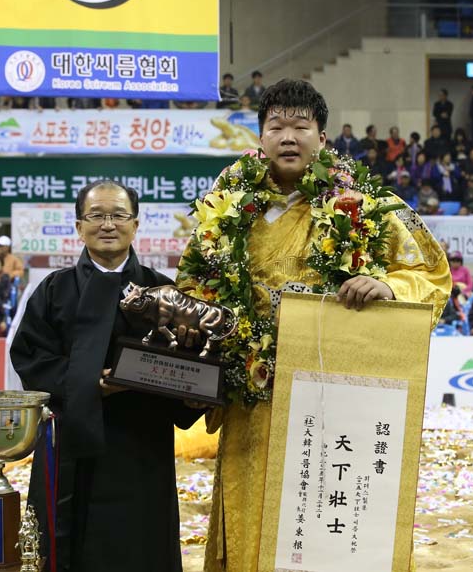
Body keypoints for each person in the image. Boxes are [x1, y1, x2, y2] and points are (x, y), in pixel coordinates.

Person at [174, 79, 451, 572]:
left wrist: (388, 288)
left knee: (330, 516)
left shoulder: (364, 205)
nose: (288, 136)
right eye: (275, 126)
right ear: (259, 137)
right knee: (255, 516)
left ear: (323, 139)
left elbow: (430, 272)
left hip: (336, 398)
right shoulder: (225, 208)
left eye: (301, 127)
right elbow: (193, 284)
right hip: (252, 399)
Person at [10, 179, 203, 572]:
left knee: (139, 546)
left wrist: (194, 387)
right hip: (70, 440)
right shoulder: (53, 290)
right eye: (96, 216)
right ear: (79, 226)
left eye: (118, 215)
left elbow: (189, 367)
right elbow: (29, 356)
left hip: (141, 443)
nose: (108, 224)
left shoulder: (163, 291)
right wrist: (89, 383)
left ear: (136, 224)